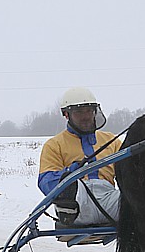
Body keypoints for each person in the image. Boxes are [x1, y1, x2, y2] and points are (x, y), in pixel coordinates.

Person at [38, 87, 122, 226]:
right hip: (78, 202)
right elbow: (46, 181)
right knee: (70, 184)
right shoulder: (54, 145)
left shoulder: (111, 141)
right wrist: (70, 175)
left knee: (137, 199)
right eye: (78, 112)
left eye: (89, 111)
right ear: (66, 114)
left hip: (108, 197)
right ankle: (68, 209)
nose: (85, 116)